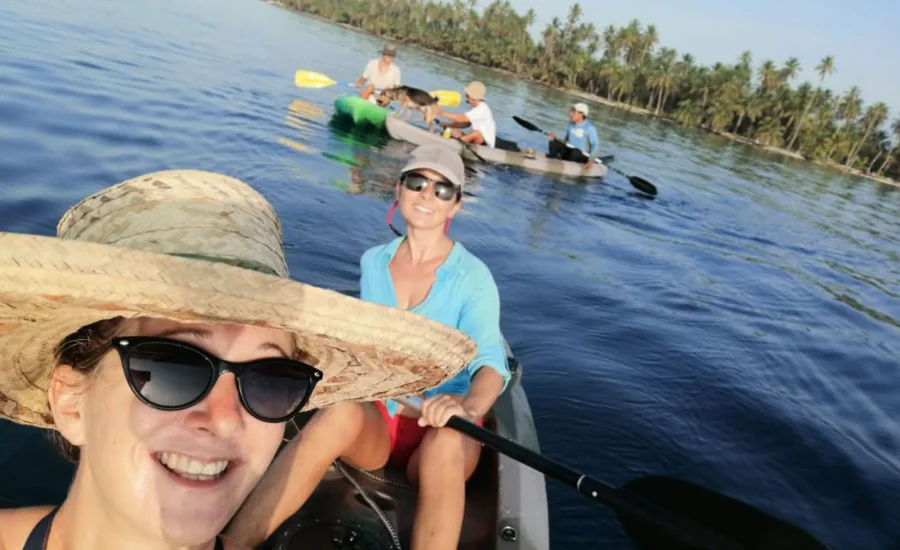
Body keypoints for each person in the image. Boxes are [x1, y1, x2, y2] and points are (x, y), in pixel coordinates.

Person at [0, 169, 474, 550]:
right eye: (173, 365)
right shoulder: (377, 259)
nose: (226, 420)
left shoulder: (469, 277)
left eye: (272, 378)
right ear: (71, 404)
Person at [226, 145, 510, 550]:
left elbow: (490, 364)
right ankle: (234, 542)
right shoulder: (373, 262)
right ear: (399, 189)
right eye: (417, 182)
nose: (427, 194)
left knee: (445, 441)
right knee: (338, 410)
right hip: (384, 419)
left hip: (443, 426)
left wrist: (466, 408)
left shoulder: (473, 277)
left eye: (442, 189)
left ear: (456, 205)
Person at [436, 81, 497, 148]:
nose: (466, 97)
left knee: (476, 133)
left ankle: (453, 145)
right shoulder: (476, 109)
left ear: (474, 97)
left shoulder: (482, 109)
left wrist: (441, 112)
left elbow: (461, 118)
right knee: (452, 130)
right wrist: (448, 125)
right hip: (476, 141)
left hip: (486, 146)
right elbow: (465, 123)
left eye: (467, 95)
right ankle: (439, 138)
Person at [547, 102, 601, 170]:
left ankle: (566, 167)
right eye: (571, 111)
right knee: (553, 142)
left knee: (575, 152)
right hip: (569, 152)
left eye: (573, 111)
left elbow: (595, 145)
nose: (570, 114)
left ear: (581, 114)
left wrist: (591, 160)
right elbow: (565, 141)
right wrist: (555, 138)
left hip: (581, 156)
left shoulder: (589, 128)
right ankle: (553, 161)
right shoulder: (571, 124)